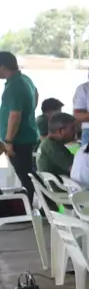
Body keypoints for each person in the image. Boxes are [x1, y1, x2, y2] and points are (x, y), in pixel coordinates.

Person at [0, 51, 39, 197]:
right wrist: (29, 112)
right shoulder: (25, 79)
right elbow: (36, 93)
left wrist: (9, 141)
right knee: (27, 172)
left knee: (24, 176)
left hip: (18, 140)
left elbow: (15, 115)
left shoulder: (14, 86)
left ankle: (28, 205)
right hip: (26, 134)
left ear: (2, 67)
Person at [37, 112, 78, 178]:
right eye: (72, 128)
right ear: (61, 131)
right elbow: (76, 170)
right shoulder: (51, 147)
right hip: (60, 184)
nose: (76, 130)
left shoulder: (50, 143)